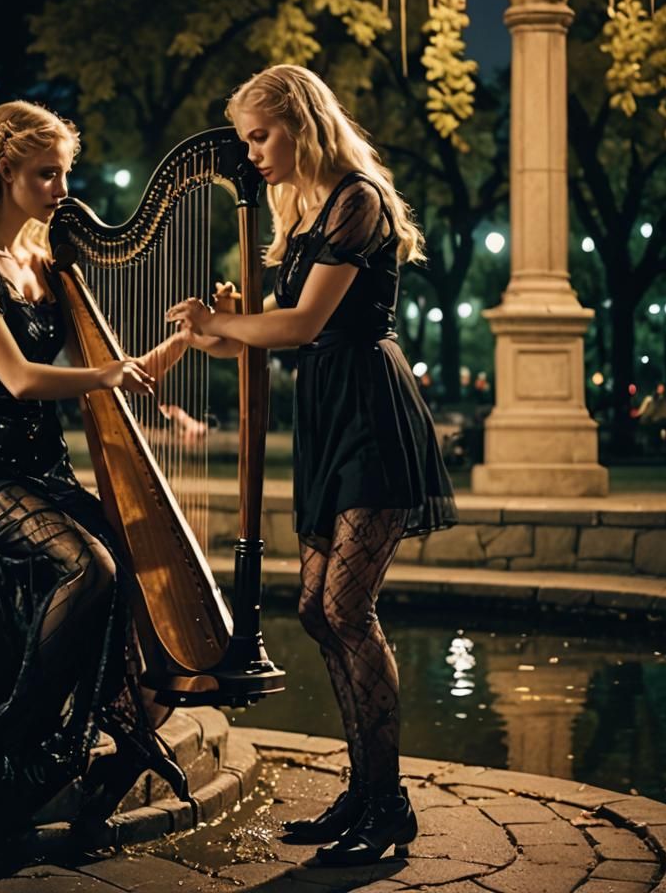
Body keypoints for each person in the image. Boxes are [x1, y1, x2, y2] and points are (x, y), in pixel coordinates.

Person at [0, 101, 189, 877]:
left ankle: (113, 731)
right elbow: (18, 380)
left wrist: (182, 343)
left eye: (65, 171)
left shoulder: (48, 261)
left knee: (137, 571)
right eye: (46, 172)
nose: (62, 187)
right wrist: (107, 373)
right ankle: (7, 734)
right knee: (92, 567)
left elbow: (117, 369)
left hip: (44, 475)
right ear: (4, 172)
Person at [167, 65, 458, 867]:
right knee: (316, 608)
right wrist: (205, 332)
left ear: (300, 120)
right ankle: (363, 793)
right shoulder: (305, 214)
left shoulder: (357, 199)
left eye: (261, 135)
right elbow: (266, 335)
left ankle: (387, 801)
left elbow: (299, 325)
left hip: (371, 412)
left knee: (346, 606)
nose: (252, 152)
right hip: (329, 416)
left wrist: (235, 322)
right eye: (247, 139)